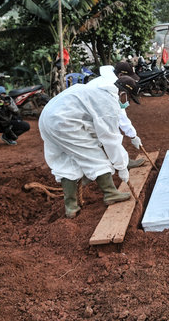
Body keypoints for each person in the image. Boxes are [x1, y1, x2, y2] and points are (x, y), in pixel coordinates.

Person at [39, 76, 139, 218]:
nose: (127, 103)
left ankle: (71, 207)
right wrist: (122, 167)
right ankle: (110, 193)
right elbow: (110, 139)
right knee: (94, 156)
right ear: (123, 94)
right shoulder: (108, 103)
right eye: (128, 99)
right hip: (63, 122)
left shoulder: (97, 91)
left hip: (47, 119)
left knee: (65, 162)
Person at [87, 61, 145, 168]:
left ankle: (118, 162)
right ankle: (122, 163)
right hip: (86, 114)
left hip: (91, 111)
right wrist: (132, 135)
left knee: (106, 135)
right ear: (121, 75)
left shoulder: (112, 82)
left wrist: (133, 135)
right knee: (112, 134)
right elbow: (120, 116)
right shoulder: (111, 86)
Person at [0, 86, 30, 151]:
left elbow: (17, 112)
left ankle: (7, 137)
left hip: (6, 123)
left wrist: (8, 105)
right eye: (1, 95)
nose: (3, 97)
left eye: (4, 94)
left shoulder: (8, 99)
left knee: (25, 125)